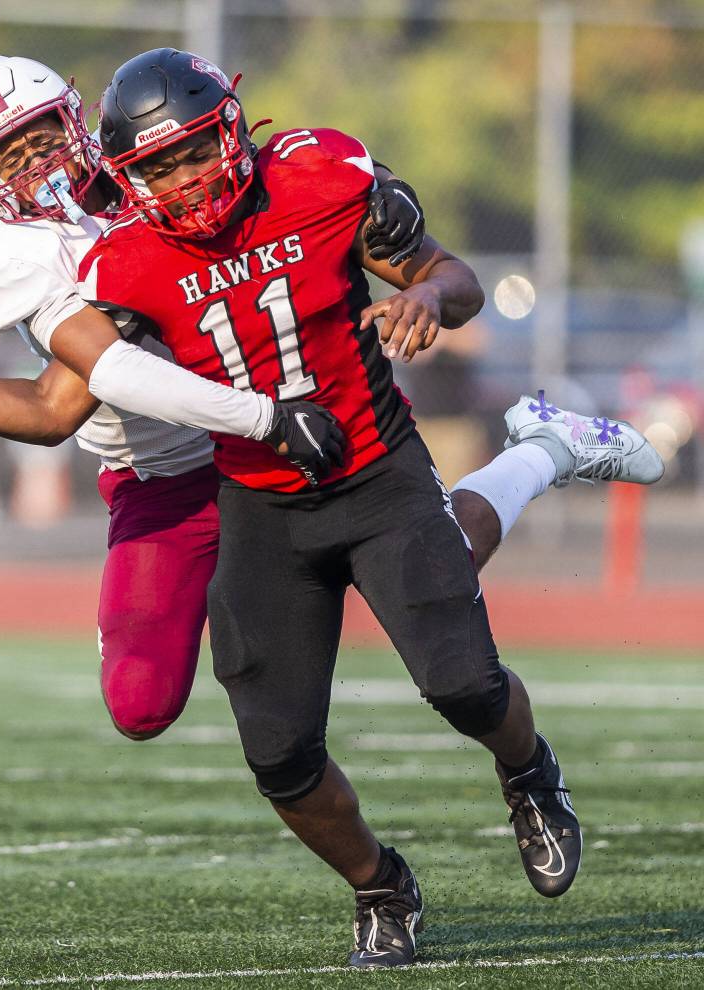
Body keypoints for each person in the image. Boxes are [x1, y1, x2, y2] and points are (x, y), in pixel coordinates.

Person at [66, 49, 664, 967]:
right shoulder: (123, 265)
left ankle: (529, 770)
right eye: (154, 167)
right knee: (279, 754)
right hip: (261, 507)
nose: (180, 180)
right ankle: (382, 887)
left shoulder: (318, 179)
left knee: (463, 684)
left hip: (378, 473)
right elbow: (55, 404)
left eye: (189, 153)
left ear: (228, 129)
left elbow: (452, 276)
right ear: (127, 179)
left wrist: (424, 293)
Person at [0, 56, 422, 740]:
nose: (36, 163)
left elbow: (275, 168)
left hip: (286, 436)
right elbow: (57, 405)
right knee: (141, 702)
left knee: (429, 572)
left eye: (41, 135)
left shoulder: (160, 165)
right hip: (170, 474)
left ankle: (536, 456)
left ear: (76, 118)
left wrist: (385, 188)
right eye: (8, 155)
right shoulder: (14, 257)